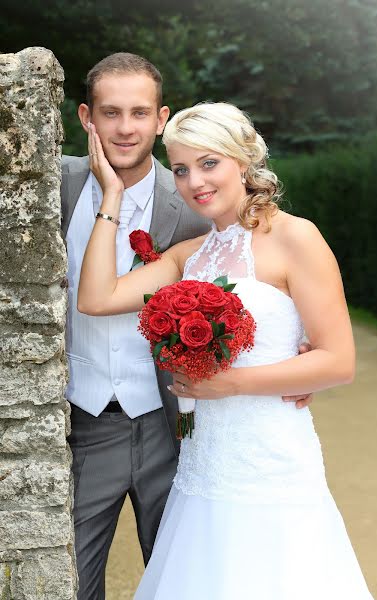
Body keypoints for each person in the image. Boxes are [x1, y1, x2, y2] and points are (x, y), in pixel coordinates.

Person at [78, 101, 373, 599]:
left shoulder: (296, 237)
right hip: (204, 460)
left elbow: (338, 361)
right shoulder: (190, 256)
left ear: (243, 159)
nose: (195, 182)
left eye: (209, 163)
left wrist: (233, 383)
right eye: (181, 169)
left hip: (272, 456)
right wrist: (112, 192)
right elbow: (96, 298)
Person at [62, 55, 311, 599]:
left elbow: (264, 282)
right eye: (110, 112)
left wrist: (295, 349)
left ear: (161, 118)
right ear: (86, 117)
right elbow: (90, 299)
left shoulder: (203, 204)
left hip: (178, 425)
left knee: (190, 578)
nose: (125, 128)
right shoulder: (47, 188)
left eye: (139, 112)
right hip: (82, 422)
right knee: (67, 583)